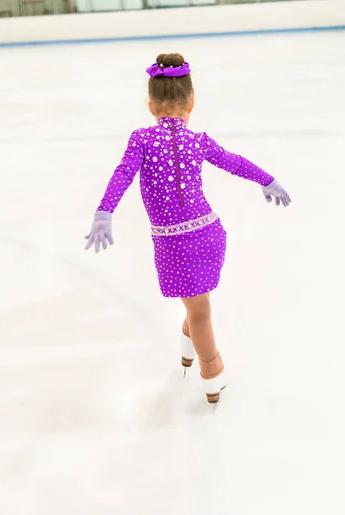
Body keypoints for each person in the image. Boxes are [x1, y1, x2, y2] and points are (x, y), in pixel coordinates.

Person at [85, 53, 291, 404]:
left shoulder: (142, 139)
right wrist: (267, 179)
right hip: (210, 234)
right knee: (198, 304)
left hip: (175, 244)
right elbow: (234, 162)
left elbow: (123, 174)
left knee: (199, 309)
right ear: (191, 102)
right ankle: (187, 345)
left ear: (151, 107)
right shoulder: (200, 141)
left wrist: (105, 211)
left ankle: (211, 371)